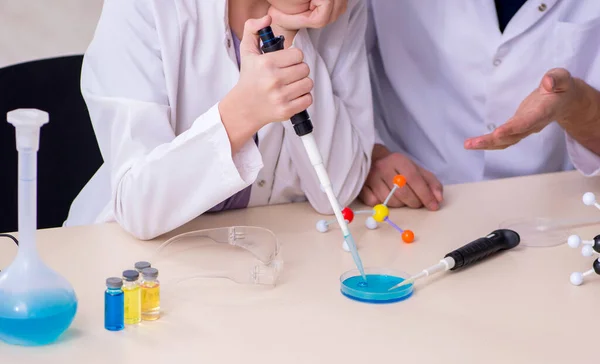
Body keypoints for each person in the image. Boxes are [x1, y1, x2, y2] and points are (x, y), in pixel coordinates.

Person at [64, 0, 374, 240]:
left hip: (261, 262)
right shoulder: (150, 7)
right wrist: (242, 114)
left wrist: (287, 34)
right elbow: (138, 205)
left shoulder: (337, 9)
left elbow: (337, 190)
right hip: (133, 265)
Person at [362, 0, 600, 211]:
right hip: (411, 197)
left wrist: (578, 106)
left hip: (561, 206)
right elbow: (333, 67)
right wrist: (369, 152)